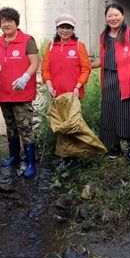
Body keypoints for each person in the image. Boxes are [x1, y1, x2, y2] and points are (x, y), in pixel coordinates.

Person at [91, 4, 130, 164]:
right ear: (106, 18)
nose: (113, 18)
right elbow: (102, 58)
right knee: (108, 113)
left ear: (122, 16)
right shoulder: (104, 36)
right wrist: (87, 65)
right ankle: (114, 146)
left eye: (116, 15)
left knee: (127, 113)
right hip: (108, 78)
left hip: (127, 79)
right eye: (110, 16)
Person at [0, 7, 39, 178]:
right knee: (10, 126)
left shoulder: (27, 40)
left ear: (16, 22)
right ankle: (14, 156)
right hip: (4, 93)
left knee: (25, 127)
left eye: (9, 21)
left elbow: (34, 63)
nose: (6, 24)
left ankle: (31, 162)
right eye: (3, 21)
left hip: (22, 93)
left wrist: (25, 77)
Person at [42, 14, 91, 168]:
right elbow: (45, 69)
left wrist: (77, 87)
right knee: (61, 126)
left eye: (68, 27)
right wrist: (49, 86)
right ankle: (66, 156)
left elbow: (86, 69)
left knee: (73, 125)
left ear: (73, 30)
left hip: (73, 95)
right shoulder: (51, 47)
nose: (65, 30)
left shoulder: (78, 46)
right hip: (56, 94)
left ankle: (73, 156)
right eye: (62, 27)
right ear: (57, 29)